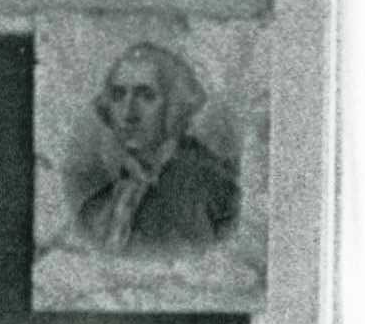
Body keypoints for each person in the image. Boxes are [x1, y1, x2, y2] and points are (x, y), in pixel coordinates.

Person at [73, 40, 241, 255]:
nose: (128, 113)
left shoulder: (216, 194)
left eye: (146, 96)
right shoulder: (93, 211)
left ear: (175, 107)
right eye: (117, 95)